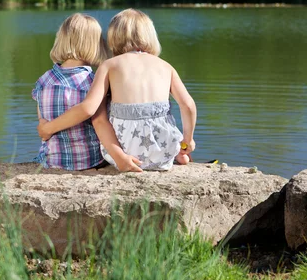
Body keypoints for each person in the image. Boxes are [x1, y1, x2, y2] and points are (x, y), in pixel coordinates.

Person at [38, 9, 197, 172]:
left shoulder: (109, 65)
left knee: (105, 106)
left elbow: (96, 118)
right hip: (163, 149)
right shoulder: (165, 66)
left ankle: (121, 157)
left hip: (127, 150)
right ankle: (178, 151)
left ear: (114, 38)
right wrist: (189, 139)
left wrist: (120, 158)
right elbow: (188, 106)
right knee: (165, 118)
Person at [32, 13, 109, 170]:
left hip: (53, 161)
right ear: (95, 45)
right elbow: (101, 123)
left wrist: (45, 127)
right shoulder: (93, 82)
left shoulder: (44, 80)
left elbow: (42, 119)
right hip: (90, 160)